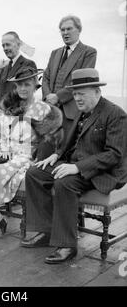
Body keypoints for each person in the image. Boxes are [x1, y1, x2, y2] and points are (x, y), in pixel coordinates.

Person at [22, 68, 127, 264]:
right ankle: (45, 231)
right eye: (75, 93)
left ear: (97, 92)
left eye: (82, 93)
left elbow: (114, 154)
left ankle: (67, 245)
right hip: (74, 164)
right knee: (34, 173)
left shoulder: (116, 114)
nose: (77, 98)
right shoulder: (84, 111)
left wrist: (78, 167)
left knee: (65, 182)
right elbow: (71, 142)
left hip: (102, 172)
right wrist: (56, 155)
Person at [0, 67, 63, 241]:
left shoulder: (44, 110)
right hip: (5, 154)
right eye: (19, 85)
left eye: (27, 84)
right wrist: (3, 151)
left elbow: (49, 143)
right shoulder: (10, 107)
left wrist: (32, 157)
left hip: (28, 157)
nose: (23, 89)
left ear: (35, 86)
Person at [42, 15, 97, 136]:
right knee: (46, 149)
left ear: (79, 30)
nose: (65, 32)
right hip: (50, 110)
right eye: (62, 30)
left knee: (65, 151)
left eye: (69, 29)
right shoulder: (55, 53)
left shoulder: (89, 52)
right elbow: (46, 77)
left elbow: (81, 81)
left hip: (71, 112)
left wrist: (58, 96)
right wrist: (48, 97)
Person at [0, 31, 37, 118]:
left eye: (8, 44)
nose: (5, 48)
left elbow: (27, 94)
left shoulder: (28, 64)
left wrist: (9, 112)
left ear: (18, 44)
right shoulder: (4, 68)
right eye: (3, 45)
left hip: (18, 118)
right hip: (1, 119)